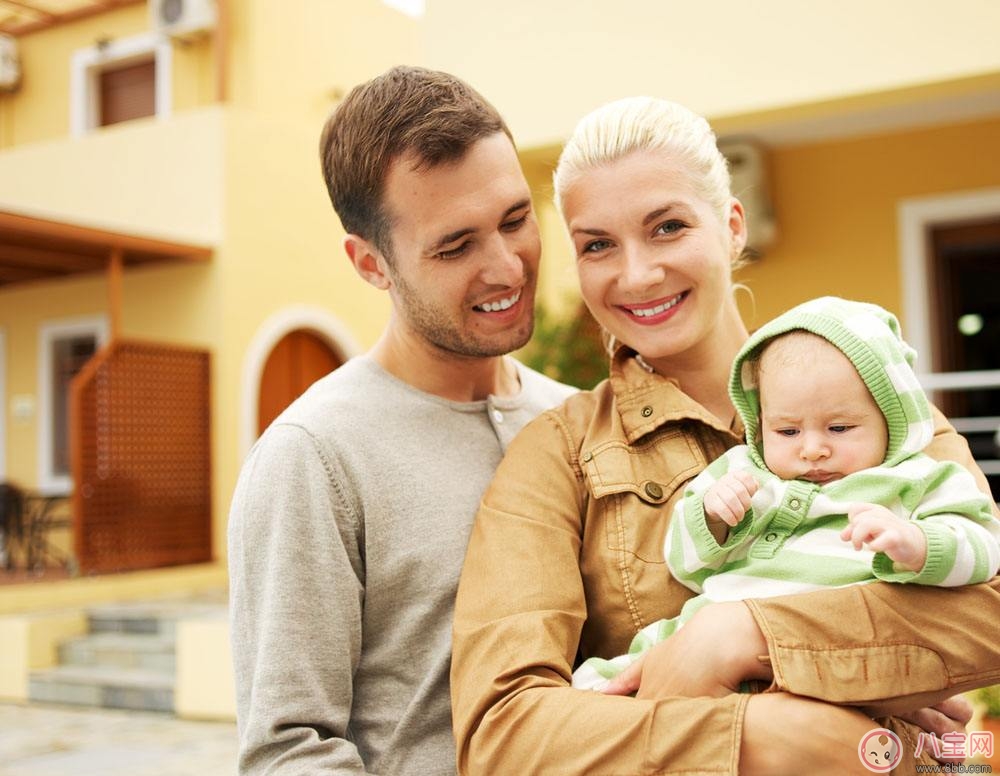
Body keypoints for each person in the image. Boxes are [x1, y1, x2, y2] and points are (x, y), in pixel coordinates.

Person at [450, 96, 1000, 775]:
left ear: (732, 226)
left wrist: (738, 636)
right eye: (598, 245)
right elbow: (503, 735)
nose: (637, 273)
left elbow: (988, 607)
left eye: (668, 227)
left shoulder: (873, 399)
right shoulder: (557, 455)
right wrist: (764, 733)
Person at [227, 66, 574, 775]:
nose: (507, 267)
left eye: (516, 220)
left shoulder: (571, 419)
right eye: (455, 246)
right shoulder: (314, 458)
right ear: (370, 263)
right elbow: (289, 750)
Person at [572, 296, 1000, 691]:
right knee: (605, 681)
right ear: (761, 424)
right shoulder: (742, 473)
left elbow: (984, 548)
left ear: (891, 418)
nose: (813, 449)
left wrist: (918, 544)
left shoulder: (918, 479)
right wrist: (713, 518)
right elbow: (686, 567)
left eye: (840, 428)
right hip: (705, 639)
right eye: (787, 430)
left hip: (835, 661)